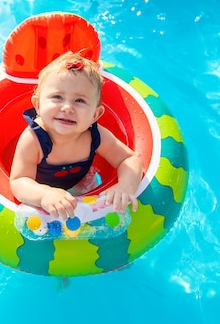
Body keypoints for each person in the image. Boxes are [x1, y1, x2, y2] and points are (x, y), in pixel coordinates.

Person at [9, 51, 143, 221]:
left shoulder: (95, 135)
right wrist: (45, 195)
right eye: (57, 97)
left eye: (79, 101)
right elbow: (19, 181)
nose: (67, 108)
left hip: (82, 185)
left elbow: (129, 159)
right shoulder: (33, 140)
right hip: (40, 193)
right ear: (37, 104)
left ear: (95, 115)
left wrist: (125, 187)